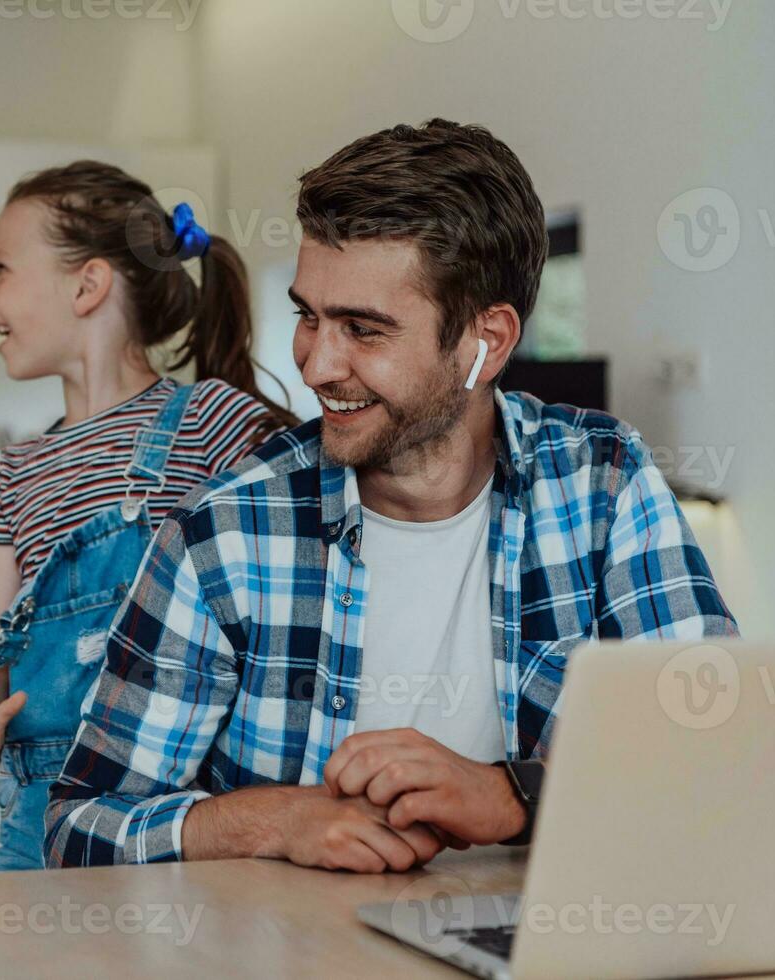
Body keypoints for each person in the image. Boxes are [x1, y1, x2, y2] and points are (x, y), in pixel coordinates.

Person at [45, 120, 739, 871]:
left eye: (363, 330)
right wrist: (273, 822)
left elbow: (717, 752)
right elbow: (80, 829)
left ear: (486, 342)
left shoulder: (602, 481)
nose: (315, 364)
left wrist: (516, 796)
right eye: (309, 316)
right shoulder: (225, 531)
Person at [0, 161, 295, 871]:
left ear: (87, 284)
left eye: (3, 268)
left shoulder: (211, 423)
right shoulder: (16, 470)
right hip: (38, 816)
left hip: (182, 812)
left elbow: (285, 605)